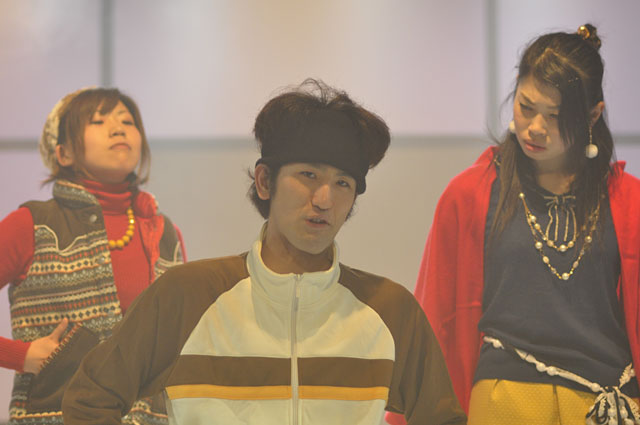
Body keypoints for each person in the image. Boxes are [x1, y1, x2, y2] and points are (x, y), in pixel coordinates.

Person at [61, 79, 466, 425]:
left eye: (343, 183)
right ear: (265, 181)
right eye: (308, 175)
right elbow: (90, 400)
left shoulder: (389, 310)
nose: (324, 199)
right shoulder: (188, 296)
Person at [385, 24, 640, 425]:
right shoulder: (469, 194)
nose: (536, 127)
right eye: (526, 106)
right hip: (506, 398)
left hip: (607, 405)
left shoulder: (630, 202)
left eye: (556, 116)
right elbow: (436, 316)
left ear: (593, 115)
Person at [0, 87, 186, 425]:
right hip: (56, 416)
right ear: (64, 153)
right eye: (98, 122)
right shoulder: (33, 225)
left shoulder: (165, 233)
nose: (118, 129)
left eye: (127, 121)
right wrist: (20, 355)